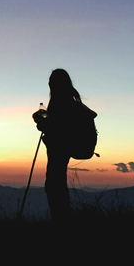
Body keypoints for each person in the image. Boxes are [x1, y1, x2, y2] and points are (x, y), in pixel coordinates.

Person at [32, 69, 97, 221]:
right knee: (56, 183)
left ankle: (61, 220)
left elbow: (58, 129)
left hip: (60, 148)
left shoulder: (60, 104)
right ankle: (62, 219)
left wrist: (40, 122)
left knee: (54, 184)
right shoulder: (72, 104)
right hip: (65, 147)